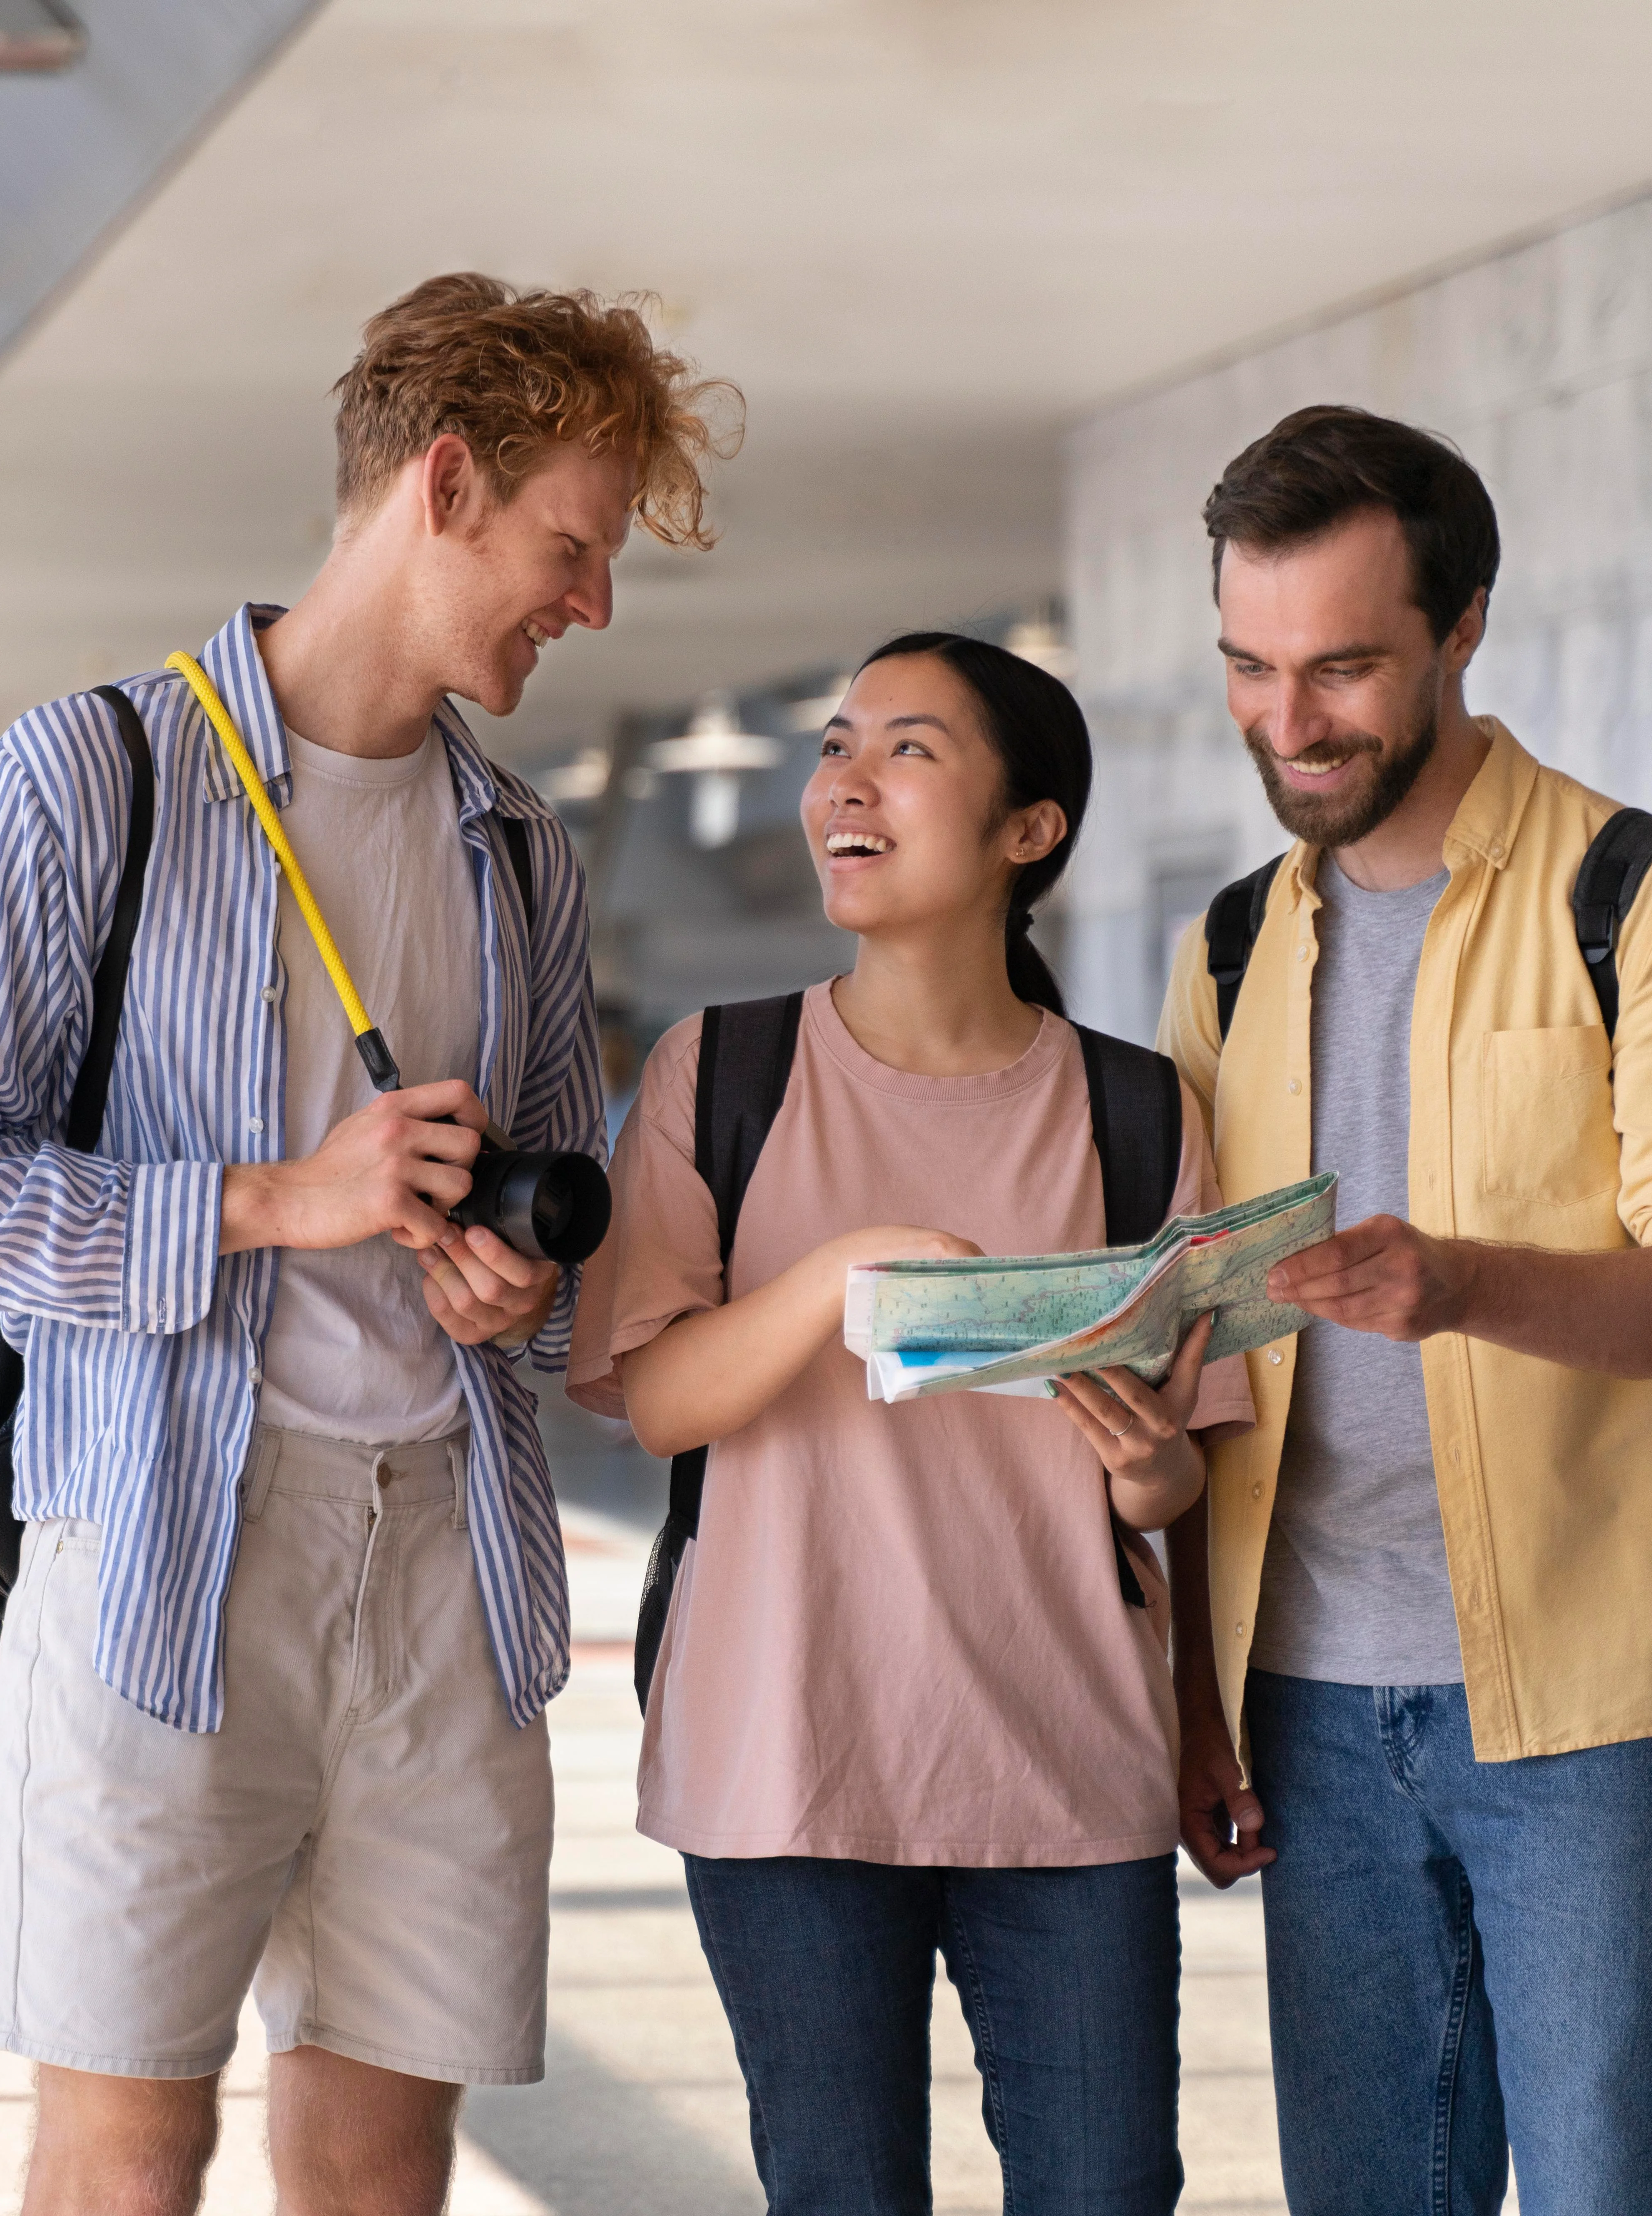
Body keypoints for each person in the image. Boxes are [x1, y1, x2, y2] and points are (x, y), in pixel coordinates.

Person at [0, 272, 728, 2216]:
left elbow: (553, 1181)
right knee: (129, 2138)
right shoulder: (92, 774)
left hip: (443, 1557)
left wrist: (516, 1278)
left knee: (389, 2145)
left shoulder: (523, 849)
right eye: (571, 548)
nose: (589, 604)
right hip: (161, 1536)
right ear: (447, 481)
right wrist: (269, 1197)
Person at [1158, 405, 1652, 2215]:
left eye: (1344, 668)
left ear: (1459, 632)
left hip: (1595, 1698)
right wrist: (1185, 1694)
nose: (1286, 725)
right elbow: (1200, 1336)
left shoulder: (1645, 901)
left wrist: (1456, 1284)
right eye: (1248, 668)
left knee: (1614, 2187)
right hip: (1298, 1688)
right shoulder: (1227, 946)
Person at [572, 633, 1251, 2216]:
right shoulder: (719, 1072)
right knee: (839, 2193)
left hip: (1066, 1760)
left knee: (1103, 2190)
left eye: (908, 749)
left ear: (1030, 831)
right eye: (832, 743)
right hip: (783, 1758)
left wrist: (1145, 1470)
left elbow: (1181, 1463)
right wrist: (833, 1277)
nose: (842, 783)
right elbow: (653, 1396)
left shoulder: (1134, 1109)